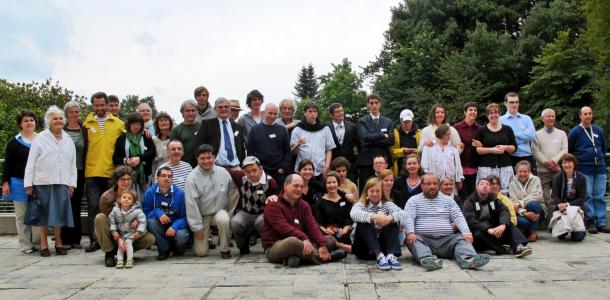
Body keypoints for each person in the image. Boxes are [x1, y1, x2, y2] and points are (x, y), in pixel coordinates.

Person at [404, 173, 490, 271]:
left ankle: (468, 260)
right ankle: (429, 260)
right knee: (415, 240)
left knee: (461, 239)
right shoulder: (413, 201)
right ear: (422, 185)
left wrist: (466, 232)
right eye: (428, 184)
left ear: (438, 185)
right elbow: (408, 218)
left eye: (435, 183)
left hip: (448, 241)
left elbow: (458, 217)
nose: (432, 186)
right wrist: (410, 232)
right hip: (424, 240)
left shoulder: (448, 200)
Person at [24, 105, 77, 257]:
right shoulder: (40, 138)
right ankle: (43, 244)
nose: (58, 121)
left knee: (59, 213)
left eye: (60, 118)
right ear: (49, 121)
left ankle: (59, 243)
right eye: (55, 118)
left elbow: (72, 163)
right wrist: (28, 184)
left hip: (62, 182)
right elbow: (31, 162)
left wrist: (72, 183)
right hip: (43, 182)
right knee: (43, 214)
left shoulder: (67, 139)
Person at [262, 174, 346, 268]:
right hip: (275, 245)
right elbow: (283, 227)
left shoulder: (304, 205)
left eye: (301, 186)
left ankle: (296, 258)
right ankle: (325, 258)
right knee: (292, 242)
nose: (299, 189)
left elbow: (312, 226)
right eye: (296, 185)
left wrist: (322, 244)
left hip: (302, 241)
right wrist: (304, 238)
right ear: (285, 185)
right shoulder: (273, 204)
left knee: (330, 240)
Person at [83, 92, 126, 252]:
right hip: (92, 171)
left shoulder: (119, 124)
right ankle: (95, 241)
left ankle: (114, 238)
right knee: (93, 208)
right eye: (97, 105)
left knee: (112, 208)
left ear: (108, 105)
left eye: (102, 105)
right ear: (93, 105)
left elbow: (128, 143)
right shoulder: (86, 124)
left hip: (111, 172)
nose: (100, 108)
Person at [93, 166, 156, 267]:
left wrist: (137, 221)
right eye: (122, 179)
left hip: (128, 232)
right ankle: (109, 252)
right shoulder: (106, 197)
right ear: (116, 181)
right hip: (112, 232)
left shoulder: (134, 194)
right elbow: (107, 222)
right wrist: (117, 237)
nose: (126, 182)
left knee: (150, 238)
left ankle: (126, 251)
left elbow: (138, 212)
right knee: (99, 218)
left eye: (129, 179)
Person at [185, 144, 238, 258]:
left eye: (209, 157)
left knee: (224, 220)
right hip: (202, 216)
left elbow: (233, 193)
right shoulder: (191, 179)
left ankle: (224, 249)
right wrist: (197, 227)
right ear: (197, 159)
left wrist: (229, 213)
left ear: (214, 157)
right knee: (201, 253)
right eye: (202, 158)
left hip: (219, 211)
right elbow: (191, 205)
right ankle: (208, 241)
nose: (206, 161)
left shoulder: (223, 172)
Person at [462, 178, 532, 258]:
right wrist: (487, 229)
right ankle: (501, 248)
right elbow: (470, 220)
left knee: (507, 223)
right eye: (481, 184)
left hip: (493, 229)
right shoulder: (469, 201)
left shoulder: (493, 198)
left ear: (489, 188)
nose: (484, 186)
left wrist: (503, 225)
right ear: (477, 187)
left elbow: (504, 211)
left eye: (487, 184)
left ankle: (518, 246)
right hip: (478, 231)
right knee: (478, 234)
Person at [2, 109, 40, 253]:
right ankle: (25, 244)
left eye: (31, 120)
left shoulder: (41, 139)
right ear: (20, 124)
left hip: (38, 183)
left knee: (37, 213)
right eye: (26, 121)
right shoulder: (14, 142)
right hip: (18, 183)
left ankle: (37, 242)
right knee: (22, 215)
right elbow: (7, 164)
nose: (29, 123)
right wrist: (5, 183)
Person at [568, 106, 609, 233]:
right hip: (584, 168)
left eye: (590, 113)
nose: (588, 116)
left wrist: (601, 158)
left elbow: (603, 146)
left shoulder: (598, 130)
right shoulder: (575, 131)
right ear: (580, 116)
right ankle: (590, 220)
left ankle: (601, 221)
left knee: (599, 195)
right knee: (588, 195)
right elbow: (570, 149)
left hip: (600, 168)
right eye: (585, 114)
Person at [350, 178, 405, 270]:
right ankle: (379, 255)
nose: (375, 194)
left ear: (382, 192)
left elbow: (403, 214)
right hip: (364, 249)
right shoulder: (360, 205)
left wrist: (388, 218)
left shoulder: (387, 204)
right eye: (372, 191)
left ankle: (390, 255)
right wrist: (375, 217)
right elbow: (354, 214)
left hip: (384, 248)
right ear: (366, 192)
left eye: (378, 191)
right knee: (364, 221)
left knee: (392, 220)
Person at [230, 156, 278, 255]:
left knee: (263, 221)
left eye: (254, 170)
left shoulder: (270, 181)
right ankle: (243, 247)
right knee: (235, 222)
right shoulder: (241, 177)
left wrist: (273, 197)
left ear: (261, 169)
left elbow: (276, 197)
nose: (251, 174)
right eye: (247, 171)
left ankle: (267, 246)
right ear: (243, 171)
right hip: (245, 213)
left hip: (262, 213)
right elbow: (228, 171)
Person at [142, 167, 189, 260]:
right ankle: (164, 249)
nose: (167, 178)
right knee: (151, 222)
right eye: (163, 176)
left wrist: (174, 227)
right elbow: (145, 214)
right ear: (157, 178)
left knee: (182, 236)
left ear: (172, 179)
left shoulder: (180, 194)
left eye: (169, 176)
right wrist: (157, 212)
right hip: (160, 226)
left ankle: (177, 249)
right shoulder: (149, 193)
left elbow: (186, 217)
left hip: (176, 226)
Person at [473, 103, 517, 194]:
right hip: (486, 167)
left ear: (499, 114)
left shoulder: (507, 129)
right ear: (487, 115)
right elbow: (477, 150)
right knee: (486, 192)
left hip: (505, 166)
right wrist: (492, 150)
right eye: (491, 113)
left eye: (496, 112)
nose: (493, 115)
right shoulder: (481, 130)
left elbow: (514, 147)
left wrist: (505, 147)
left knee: (506, 193)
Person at [532, 108, 568, 213]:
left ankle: (561, 217)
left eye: (553, 116)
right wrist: (546, 162)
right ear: (542, 119)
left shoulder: (562, 134)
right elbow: (535, 151)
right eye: (548, 116)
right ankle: (553, 217)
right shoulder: (536, 135)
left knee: (560, 195)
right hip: (543, 171)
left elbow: (564, 150)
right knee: (546, 197)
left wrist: (554, 161)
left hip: (558, 170)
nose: (551, 118)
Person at [60, 101, 86, 249]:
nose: (74, 114)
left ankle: (76, 239)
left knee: (76, 205)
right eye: (71, 112)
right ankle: (65, 238)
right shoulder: (60, 130)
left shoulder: (84, 130)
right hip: (63, 173)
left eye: (77, 112)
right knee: (64, 204)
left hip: (80, 172)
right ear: (67, 113)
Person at [247, 103, 291, 187]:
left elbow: (287, 152)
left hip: (279, 172)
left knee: (278, 197)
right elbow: (250, 152)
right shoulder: (255, 130)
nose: (272, 116)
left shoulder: (282, 130)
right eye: (270, 113)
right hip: (261, 172)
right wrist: (257, 169)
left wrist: (283, 168)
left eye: (275, 114)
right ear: (264, 113)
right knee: (262, 196)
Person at [195, 97, 247, 169]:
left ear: (229, 109)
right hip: (215, 168)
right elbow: (199, 145)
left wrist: (243, 166)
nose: (223, 109)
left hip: (236, 167)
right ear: (215, 109)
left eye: (226, 107)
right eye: (220, 107)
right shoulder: (207, 124)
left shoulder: (238, 127)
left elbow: (242, 149)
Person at [357, 94, 394, 190]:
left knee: (385, 187)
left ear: (380, 104)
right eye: (371, 103)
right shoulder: (362, 121)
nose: (374, 105)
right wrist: (382, 135)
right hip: (366, 161)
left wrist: (370, 140)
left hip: (384, 160)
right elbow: (365, 137)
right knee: (366, 187)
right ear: (367, 105)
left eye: (376, 103)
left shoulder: (388, 121)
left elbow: (391, 141)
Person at [113, 113, 156, 195]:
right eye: (133, 124)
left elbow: (153, 152)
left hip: (144, 176)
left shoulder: (146, 137)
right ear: (129, 124)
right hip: (126, 176)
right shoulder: (121, 139)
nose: (136, 127)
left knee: (144, 199)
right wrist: (126, 161)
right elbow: (115, 158)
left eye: (139, 124)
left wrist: (140, 158)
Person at [290, 101, 335, 178]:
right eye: (310, 111)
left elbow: (329, 149)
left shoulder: (325, 129)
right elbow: (292, 152)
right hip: (302, 171)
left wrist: (326, 167)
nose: (313, 114)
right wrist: (297, 145)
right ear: (304, 113)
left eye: (315, 111)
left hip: (320, 170)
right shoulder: (298, 129)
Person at [549, 153, 587, 241]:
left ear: (574, 164)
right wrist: (559, 204)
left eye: (569, 162)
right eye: (564, 163)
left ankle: (578, 229)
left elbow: (582, 198)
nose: (566, 165)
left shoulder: (582, 178)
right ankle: (563, 230)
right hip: (561, 210)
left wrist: (567, 205)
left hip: (576, 210)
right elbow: (554, 195)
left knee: (577, 238)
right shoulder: (557, 177)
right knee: (560, 235)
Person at [313, 172, 353, 253]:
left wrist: (345, 229)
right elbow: (318, 221)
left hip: (343, 232)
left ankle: (335, 246)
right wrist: (325, 230)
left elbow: (350, 217)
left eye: (334, 182)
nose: (332, 185)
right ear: (325, 185)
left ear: (338, 183)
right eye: (329, 183)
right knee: (322, 236)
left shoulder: (345, 200)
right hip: (328, 233)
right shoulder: (319, 202)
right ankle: (341, 246)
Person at [509, 160, 546, 242]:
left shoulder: (536, 179)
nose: (522, 174)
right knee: (523, 222)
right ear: (516, 172)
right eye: (520, 171)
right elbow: (513, 204)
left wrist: (520, 203)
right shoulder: (512, 184)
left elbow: (537, 196)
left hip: (538, 210)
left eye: (525, 171)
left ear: (529, 171)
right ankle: (527, 232)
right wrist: (525, 213)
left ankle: (533, 232)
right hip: (522, 213)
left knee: (533, 204)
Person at [420, 124, 464, 193]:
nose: (450, 137)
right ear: (441, 134)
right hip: (435, 182)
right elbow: (424, 166)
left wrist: (460, 179)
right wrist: (428, 181)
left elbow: (458, 165)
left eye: (450, 134)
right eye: (447, 134)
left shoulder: (453, 148)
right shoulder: (429, 147)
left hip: (451, 182)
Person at [499, 92, 537, 172]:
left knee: (528, 183)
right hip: (509, 157)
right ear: (505, 103)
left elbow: (532, 136)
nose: (514, 104)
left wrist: (513, 135)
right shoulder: (500, 120)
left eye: (516, 102)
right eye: (511, 102)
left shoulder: (526, 118)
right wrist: (523, 138)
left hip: (526, 156)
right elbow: (503, 140)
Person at [109, 189, 146, 269]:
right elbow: (112, 221)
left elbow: (143, 221)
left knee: (128, 242)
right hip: (121, 232)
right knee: (121, 243)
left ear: (133, 202)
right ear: (119, 199)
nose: (126, 199)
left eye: (129, 198)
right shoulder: (115, 210)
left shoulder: (137, 211)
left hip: (131, 233)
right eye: (124, 197)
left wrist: (139, 231)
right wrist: (114, 231)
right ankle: (120, 260)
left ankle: (129, 259)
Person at [453, 102, 481, 199]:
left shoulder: (480, 128)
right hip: (460, 166)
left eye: (475, 110)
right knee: (461, 194)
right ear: (465, 112)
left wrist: (481, 145)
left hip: (475, 167)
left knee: (474, 194)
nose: (473, 112)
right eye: (470, 110)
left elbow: (483, 146)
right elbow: (451, 144)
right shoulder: (456, 128)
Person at [328, 103, 360, 182]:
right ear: (331, 115)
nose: (340, 113)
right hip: (332, 167)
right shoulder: (326, 128)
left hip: (350, 168)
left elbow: (360, 145)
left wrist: (356, 162)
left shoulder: (352, 127)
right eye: (337, 111)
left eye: (341, 110)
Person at [170, 100, 200, 167]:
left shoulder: (202, 127)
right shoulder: (176, 130)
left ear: (196, 112)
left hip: (201, 166)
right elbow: (172, 150)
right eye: (187, 111)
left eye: (193, 110)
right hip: (183, 167)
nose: (190, 113)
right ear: (182, 113)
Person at [391, 109, 420, 176]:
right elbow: (391, 152)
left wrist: (416, 151)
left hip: (415, 167)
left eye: (409, 121)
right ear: (401, 121)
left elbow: (423, 151)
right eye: (405, 122)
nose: (407, 124)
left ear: (412, 121)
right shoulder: (394, 133)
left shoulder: (419, 133)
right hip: (399, 168)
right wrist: (403, 151)